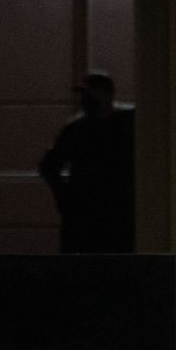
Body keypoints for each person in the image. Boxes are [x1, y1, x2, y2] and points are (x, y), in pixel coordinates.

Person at [38, 71, 136, 253]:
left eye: (90, 93)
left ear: (107, 94)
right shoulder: (76, 129)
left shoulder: (129, 123)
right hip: (85, 216)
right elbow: (49, 166)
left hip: (121, 213)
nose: (85, 99)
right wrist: (66, 199)